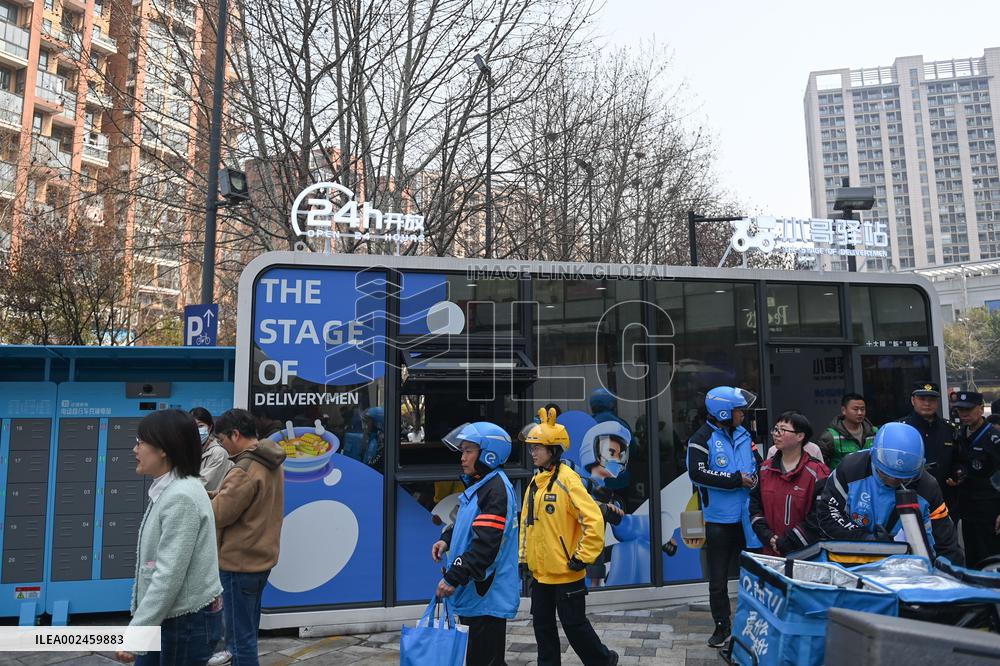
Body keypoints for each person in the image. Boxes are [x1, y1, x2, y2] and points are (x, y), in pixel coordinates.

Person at [116, 410, 223, 665]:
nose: (135, 449)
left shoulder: (180, 496)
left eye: (141, 442)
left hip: (182, 624)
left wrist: (138, 631)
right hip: (172, 618)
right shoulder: (173, 488)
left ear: (163, 449)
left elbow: (168, 574)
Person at [519, 407, 619, 666]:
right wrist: (523, 558)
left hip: (566, 571)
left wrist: (582, 557)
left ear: (553, 450)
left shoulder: (569, 480)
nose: (533, 453)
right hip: (541, 573)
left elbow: (594, 519)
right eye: (532, 448)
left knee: (574, 626)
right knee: (542, 626)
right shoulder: (536, 482)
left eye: (537, 448)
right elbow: (526, 524)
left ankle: (603, 661)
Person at [431, 421, 519, 666]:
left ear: (489, 454)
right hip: (476, 593)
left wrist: (454, 576)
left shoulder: (495, 490)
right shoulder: (480, 485)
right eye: (463, 451)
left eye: (469, 451)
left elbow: (486, 546)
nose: (463, 457)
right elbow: (465, 523)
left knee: (484, 660)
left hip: (485, 594)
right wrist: (446, 540)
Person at [816, 422, 963, 565]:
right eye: (885, 475)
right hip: (851, 563)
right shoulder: (851, 469)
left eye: (902, 479)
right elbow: (828, 514)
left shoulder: (927, 487)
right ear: (874, 458)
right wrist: (865, 539)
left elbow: (945, 542)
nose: (893, 481)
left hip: (906, 568)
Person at [686, 386, 762, 648]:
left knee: (753, 576)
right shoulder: (701, 437)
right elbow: (697, 474)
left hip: (748, 518)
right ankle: (722, 627)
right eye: (739, 410)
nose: (743, 414)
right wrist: (734, 480)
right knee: (717, 580)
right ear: (724, 412)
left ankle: (753, 624)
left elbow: (758, 464)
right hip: (719, 520)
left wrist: (756, 480)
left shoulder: (744, 434)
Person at [211, 409, 287, 666]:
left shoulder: (244, 468)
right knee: (248, 631)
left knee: (238, 639)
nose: (221, 446)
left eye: (222, 439)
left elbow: (221, 514)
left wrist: (199, 500)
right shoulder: (270, 460)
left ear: (235, 434)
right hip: (261, 558)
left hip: (238, 563)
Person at [750, 412, 829, 556]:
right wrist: (769, 537)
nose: (776, 434)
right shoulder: (764, 469)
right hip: (770, 553)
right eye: (775, 429)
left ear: (800, 436)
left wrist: (788, 542)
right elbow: (755, 508)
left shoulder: (817, 472)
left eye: (783, 430)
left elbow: (820, 515)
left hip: (806, 555)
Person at [950, 391, 1000, 567]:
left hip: (990, 508)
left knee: (990, 558)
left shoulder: (993, 438)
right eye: (960, 411)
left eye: (968, 410)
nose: (964, 415)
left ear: (980, 409)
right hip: (967, 507)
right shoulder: (960, 433)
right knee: (972, 556)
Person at [899, 382, 957, 516]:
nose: (927, 403)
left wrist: (958, 472)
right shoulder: (901, 428)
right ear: (913, 400)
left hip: (944, 500)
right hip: (911, 497)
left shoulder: (949, 428)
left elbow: (959, 458)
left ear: (937, 402)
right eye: (922, 399)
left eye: (931, 400)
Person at [818, 393, 878, 469]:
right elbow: (820, 466)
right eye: (855, 409)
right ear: (843, 410)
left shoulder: (874, 432)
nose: (860, 413)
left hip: (869, 479)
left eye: (862, 409)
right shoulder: (830, 436)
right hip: (841, 480)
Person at [191, 407, 233, 493]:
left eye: (200, 426)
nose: (196, 430)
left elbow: (203, 484)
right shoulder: (189, 451)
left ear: (210, 427)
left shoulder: (218, 453)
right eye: (192, 426)